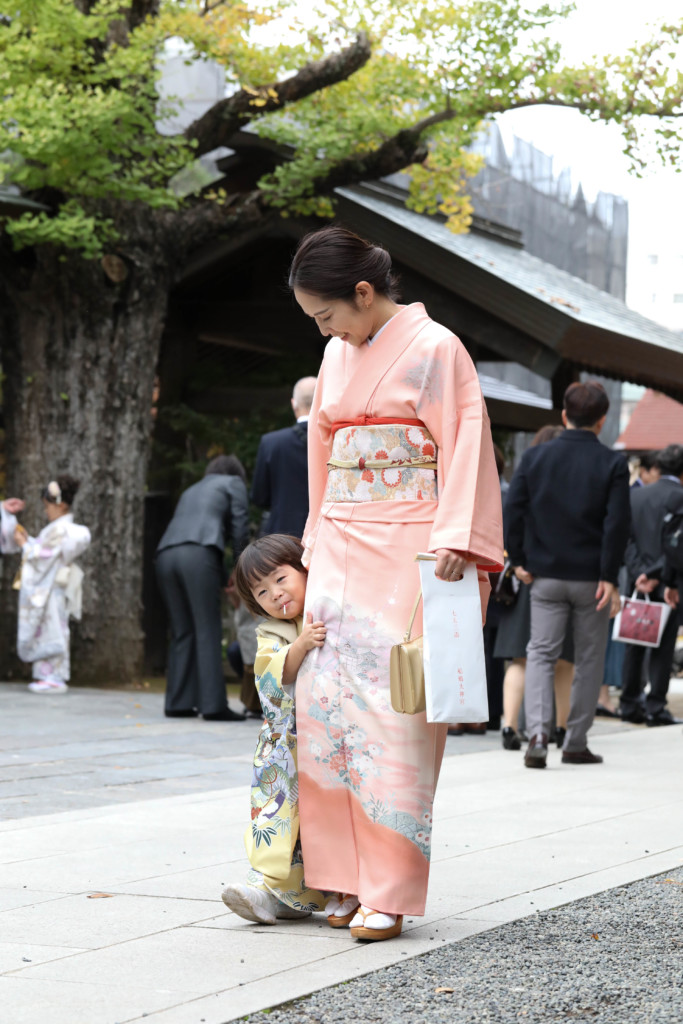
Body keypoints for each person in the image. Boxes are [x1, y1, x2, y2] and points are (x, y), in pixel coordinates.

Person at [288, 225, 503, 941]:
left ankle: (389, 887)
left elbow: (466, 441)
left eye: (328, 315)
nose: (326, 331)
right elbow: (323, 449)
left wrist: (454, 536)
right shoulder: (334, 354)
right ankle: (339, 878)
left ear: (363, 291)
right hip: (340, 536)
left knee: (393, 712)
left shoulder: (437, 347)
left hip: (408, 537)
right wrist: (314, 534)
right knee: (324, 708)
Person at [505, 381, 630, 768]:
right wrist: (609, 575)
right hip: (592, 578)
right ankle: (574, 740)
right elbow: (616, 524)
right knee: (589, 658)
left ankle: (539, 733)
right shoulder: (613, 463)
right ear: (602, 421)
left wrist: (519, 558)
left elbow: (514, 508)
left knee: (540, 653)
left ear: (564, 415)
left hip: (544, 574)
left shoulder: (535, 457)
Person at [221, 534, 327, 924]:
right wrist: (299, 645)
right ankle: (264, 887)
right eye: (262, 592)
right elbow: (270, 673)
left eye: (281, 579)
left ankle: (297, 896)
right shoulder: (271, 632)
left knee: (318, 822)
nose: (276, 595)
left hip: (328, 740)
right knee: (276, 817)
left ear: (304, 568)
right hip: (287, 746)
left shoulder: (327, 602)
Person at [494, 425, 573, 752]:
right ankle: (560, 728)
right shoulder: (571, 486)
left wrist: (517, 561)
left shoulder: (525, 483)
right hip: (562, 577)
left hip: (525, 577)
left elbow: (510, 522)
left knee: (520, 658)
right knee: (563, 659)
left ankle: (509, 724)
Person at [155, 454, 249, 721]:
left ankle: (178, 702)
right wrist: (241, 568)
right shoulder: (234, 483)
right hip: (199, 554)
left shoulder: (192, 489)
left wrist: (221, 576)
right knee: (207, 628)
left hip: (165, 554)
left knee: (182, 630)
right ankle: (213, 706)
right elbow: (239, 527)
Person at [0, 476, 90, 694]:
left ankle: (54, 675)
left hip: (51, 588)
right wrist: (28, 542)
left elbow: (42, 557)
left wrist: (24, 545)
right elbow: (43, 553)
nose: (46, 511)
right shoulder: (56, 529)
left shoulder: (60, 529)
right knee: (48, 629)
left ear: (61, 505)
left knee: (52, 629)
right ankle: (46, 674)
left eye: (48, 506)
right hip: (50, 587)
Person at [619, 443, 683, 726]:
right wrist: (659, 574)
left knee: (634, 641)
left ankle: (629, 703)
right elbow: (676, 545)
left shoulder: (636, 496)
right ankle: (656, 706)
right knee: (663, 646)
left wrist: (639, 573)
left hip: (638, 581)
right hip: (670, 582)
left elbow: (625, 539)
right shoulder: (680, 497)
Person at [251, 377, 317, 538]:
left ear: (294, 403)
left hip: (281, 538)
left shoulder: (271, 442)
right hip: (324, 535)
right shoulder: (337, 441)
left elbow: (259, 498)